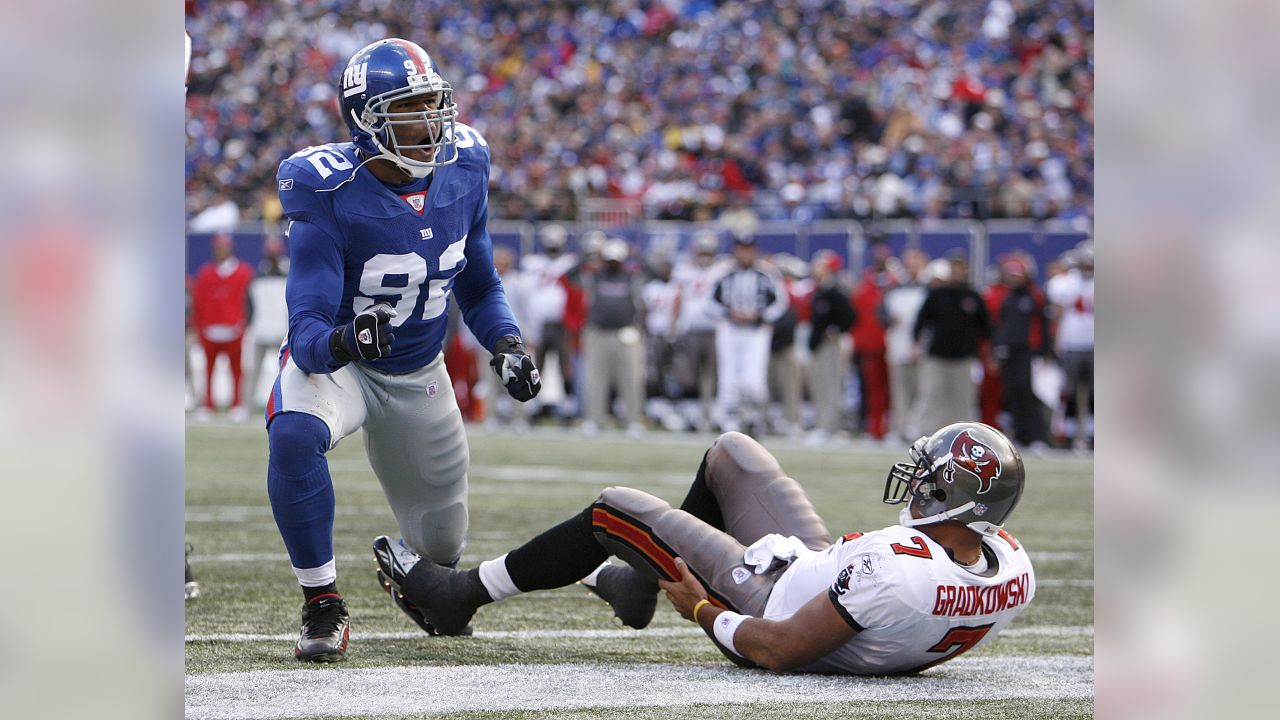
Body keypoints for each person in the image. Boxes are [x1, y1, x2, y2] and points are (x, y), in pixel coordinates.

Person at [268, 38, 541, 662]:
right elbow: (307, 334)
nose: (430, 123)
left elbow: (478, 281)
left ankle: (404, 573)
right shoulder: (324, 187)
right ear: (367, 121)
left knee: (441, 552)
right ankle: (321, 602)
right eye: (409, 109)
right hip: (343, 365)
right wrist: (347, 337)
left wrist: (506, 344)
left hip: (419, 367)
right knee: (292, 434)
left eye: (432, 105)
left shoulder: (467, 164)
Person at [374, 422, 1033, 675]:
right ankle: (636, 586)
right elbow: (868, 594)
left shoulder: (893, 574)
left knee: (613, 509)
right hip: (817, 577)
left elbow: (779, 650)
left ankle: (460, 597)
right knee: (731, 452)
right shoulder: (1006, 564)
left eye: (929, 476)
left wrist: (698, 609)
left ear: (957, 497)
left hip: (768, 606)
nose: (915, 481)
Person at [711, 235, 788, 436]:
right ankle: (729, 421)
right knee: (728, 376)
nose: (745, 253)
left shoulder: (767, 272)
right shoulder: (722, 271)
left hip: (756, 331)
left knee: (754, 379)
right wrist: (729, 313)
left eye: (748, 249)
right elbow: (708, 301)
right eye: (741, 248)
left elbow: (781, 302)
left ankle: (754, 419)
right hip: (730, 328)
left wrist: (761, 316)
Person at [578, 238, 646, 435]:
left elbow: (655, 273)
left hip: (626, 332)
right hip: (597, 332)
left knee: (631, 379)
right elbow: (569, 275)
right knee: (595, 379)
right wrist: (590, 255)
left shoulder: (631, 277)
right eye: (610, 259)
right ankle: (593, 419)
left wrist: (636, 254)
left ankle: (633, 420)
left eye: (617, 260)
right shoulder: (595, 276)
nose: (613, 264)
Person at [191, 232, 254, 421]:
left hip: (234, 329)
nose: (221, 250)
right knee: (208, 370)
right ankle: (207, 404)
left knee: (236, 370)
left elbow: (249, 301)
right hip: (210, 329)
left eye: (224, 247)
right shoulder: (205, 273)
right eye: (218, 247)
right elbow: (198, 302)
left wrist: (245, 324)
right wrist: (197, 327)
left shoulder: (243, 272)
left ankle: (237, 404)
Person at [806, 250, 855, 442]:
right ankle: (823, 425)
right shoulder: (820, 291)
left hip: (830, 346)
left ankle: (829, 427)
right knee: (820, 386)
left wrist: (835, 330)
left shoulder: (835, 292)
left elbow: (851, 316)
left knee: (831, 386)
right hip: (819, 346)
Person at [245, 235, 290, 412]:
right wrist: (250, 321)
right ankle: (245, 406)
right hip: (261, 326)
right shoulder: (258, 273)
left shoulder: (288, 271)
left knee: (286, 372)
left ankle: (286, 405)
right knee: (253, 370)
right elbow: (250, 302)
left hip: (281, 329)